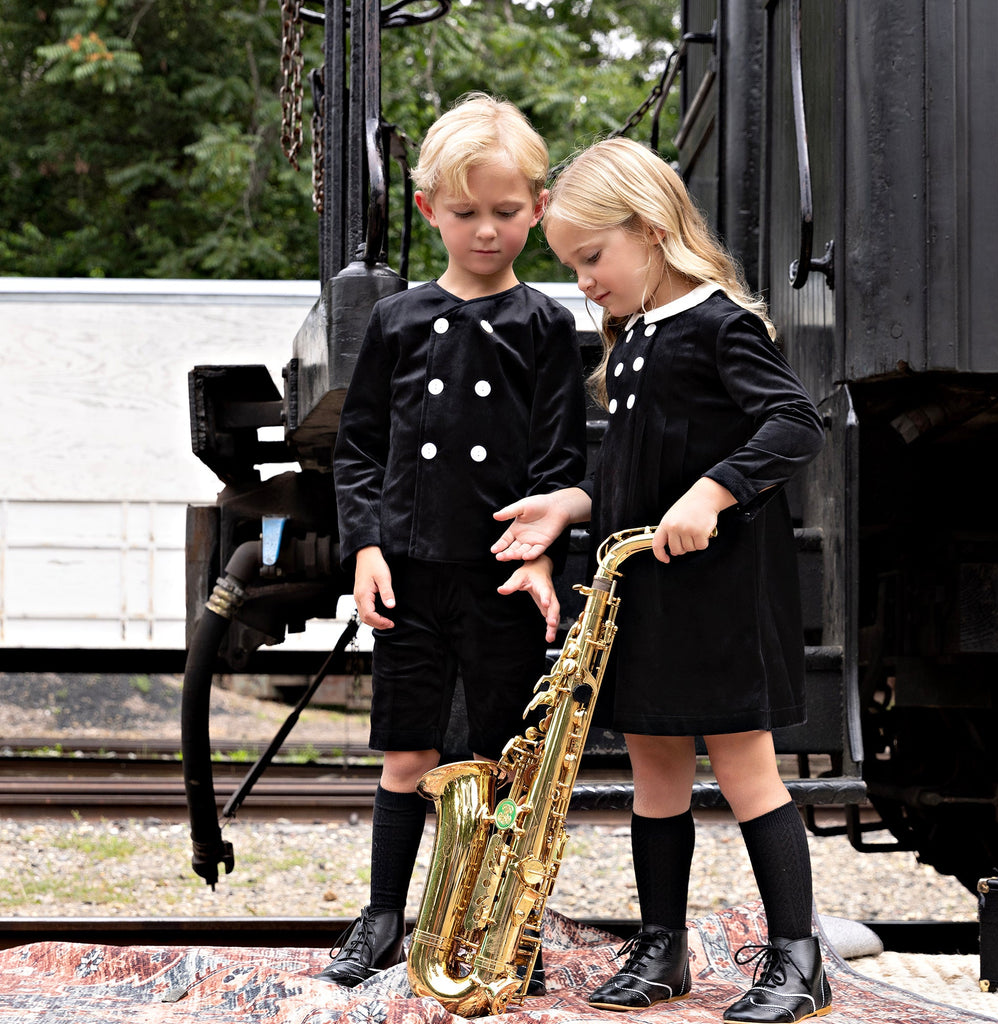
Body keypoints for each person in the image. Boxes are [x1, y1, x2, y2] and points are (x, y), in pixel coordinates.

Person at [490, 137, 831, 1024]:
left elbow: (795, 425)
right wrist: (567, 505)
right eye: (571, 268)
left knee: (748, 768)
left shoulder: (721, 322)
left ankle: (798, 959)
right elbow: (627, 476)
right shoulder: (633, 335)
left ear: (648, 230)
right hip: (643, 596)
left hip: (718, 597)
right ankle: (662, 946)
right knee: (654, 766)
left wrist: (715, 491)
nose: (585, 283)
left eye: (592, 259)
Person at [316, 93, 587, 992]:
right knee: (408, 752)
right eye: (465, 213)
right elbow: (359, 447)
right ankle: (385, 916)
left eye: (506, 213)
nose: (486, 232)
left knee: (508, 761)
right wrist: (364, 547)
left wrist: (544, 551)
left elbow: (559, 452)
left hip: (505, 576)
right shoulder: (396, 322)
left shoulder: (547, 326)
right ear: (429, 210)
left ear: (539, 210)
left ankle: (507, 928)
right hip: (410, 572)